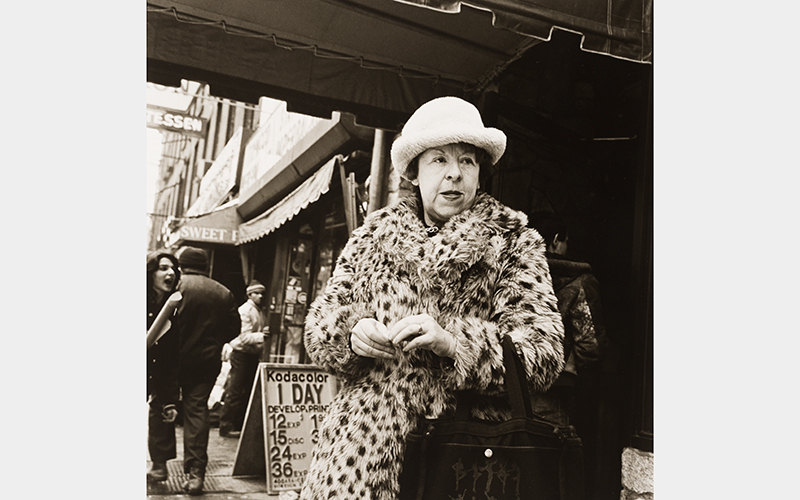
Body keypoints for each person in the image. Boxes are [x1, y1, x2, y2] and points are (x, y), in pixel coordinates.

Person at [299, 96, 566, 500]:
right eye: (439, 160)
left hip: (468, 462)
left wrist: (456, 344)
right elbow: (319, 328)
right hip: (362, 456)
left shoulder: (514, 242)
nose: (455, 174)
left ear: (480, 173)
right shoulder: (372, 238)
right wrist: (351, 332)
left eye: (468, 161)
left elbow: (544, 353)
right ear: (415, 173)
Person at [170, 246, 241, 495]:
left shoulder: (175, 286)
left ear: (181, 265)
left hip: (171, 361)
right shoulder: (223, 292)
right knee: (197, 413)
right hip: (206, 363)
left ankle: (158, 466)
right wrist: (212, 340)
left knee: (161, 407)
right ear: (205, 266)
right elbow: (234, 330)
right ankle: (196, 474)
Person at [528, 211, 609, 425]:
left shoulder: (514, 274)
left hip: (502, 393)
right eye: (565, 241)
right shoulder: (579, 282)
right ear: (555, 240)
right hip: (553, 394)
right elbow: (590, 347)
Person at [146, 251, 181, 483]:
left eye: (173, 269)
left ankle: (159, 466)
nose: (170, 272)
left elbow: (173, 352)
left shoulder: (176, 305)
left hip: (161, 369)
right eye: (163, 268)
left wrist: (171, 397)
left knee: (162, 412)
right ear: (150, 273)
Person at [218, 280, 269, 438]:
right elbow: (244, 337)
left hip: (250, 354)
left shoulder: (257, 310)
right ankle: (226, 426)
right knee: (235, 391)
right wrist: (262, 335)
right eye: (257, 293)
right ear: (249, 295)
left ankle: (237, 424)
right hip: (242, 354)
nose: (260, 296)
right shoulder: (246, 310)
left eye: (262, 293)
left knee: (245, 391)